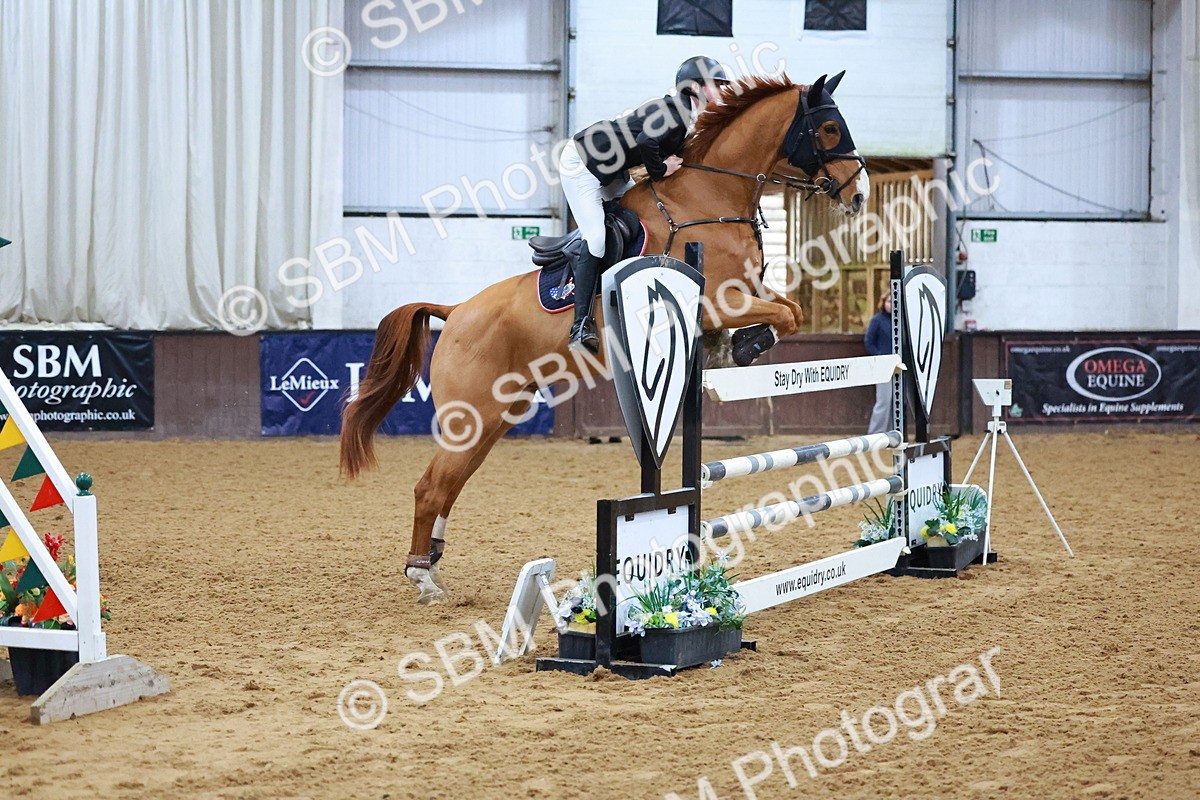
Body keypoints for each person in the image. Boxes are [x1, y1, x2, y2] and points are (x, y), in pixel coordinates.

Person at [557, 56, 729, 353]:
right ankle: (580, 325)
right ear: (695, 88)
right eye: (717, 86)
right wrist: (662, 169)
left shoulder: (687, 115)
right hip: (582, 164)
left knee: (638, 218)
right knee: (596, 238)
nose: (723, 92)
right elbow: (648, 141)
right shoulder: (675, 112)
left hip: (613, 169)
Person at [865, 294, 894, 433]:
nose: (892, 304)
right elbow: (869, 341)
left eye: (895, 301)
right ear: (883, 303)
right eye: (889, 301)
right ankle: (875, 434)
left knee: (897, 402)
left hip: (899, 366)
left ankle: (892, 434)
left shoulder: (901, 321)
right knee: (883, 401)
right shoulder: (877, 320)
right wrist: (879, 356)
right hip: (883, 366)